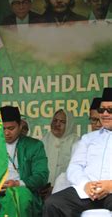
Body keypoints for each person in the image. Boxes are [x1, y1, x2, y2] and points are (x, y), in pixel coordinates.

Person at [43, 87, 112, 216]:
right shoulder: (88, 139)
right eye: (102, 110)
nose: (105, 114)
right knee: (53, 203)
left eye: (110, 110)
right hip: (88, 192)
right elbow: (74, 167)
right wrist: (85, 184)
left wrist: (109, 186)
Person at [0, 106, 49, 217]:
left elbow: (41, 176)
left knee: (19, 197)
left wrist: (17, 183)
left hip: (21, 190)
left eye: (11, 128)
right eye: (3, 128)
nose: (6, 133)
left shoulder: (34, 146)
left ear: (20, 126)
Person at [41, 109, 78, 194]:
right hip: (44, 190)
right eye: (55, 120)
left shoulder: (77, 142)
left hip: (67, 190)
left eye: (62, 122)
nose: (57, 124)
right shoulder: (44, 141)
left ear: (69, 124)